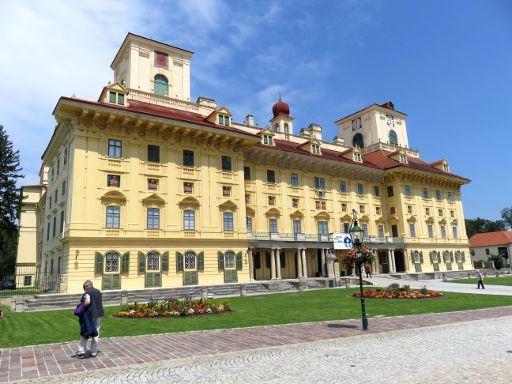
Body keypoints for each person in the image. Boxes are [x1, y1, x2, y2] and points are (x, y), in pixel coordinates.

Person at [76, 280, 104, 358]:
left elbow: (88, 302)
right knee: (96, 331)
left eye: (84, 287)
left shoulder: (87, 292)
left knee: (85, 331)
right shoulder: (98, 291)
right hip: (99, 314)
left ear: (87, 286)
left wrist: (81, 307)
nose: (83, 289)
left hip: (89, 315)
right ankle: (94, 351)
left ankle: (81, 351)